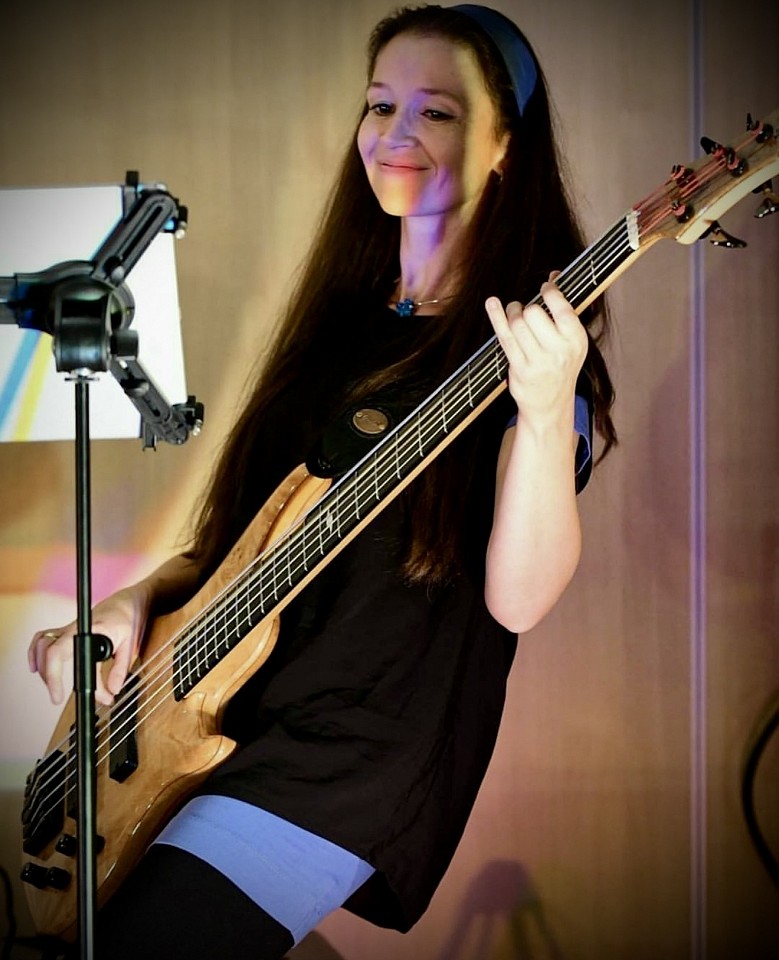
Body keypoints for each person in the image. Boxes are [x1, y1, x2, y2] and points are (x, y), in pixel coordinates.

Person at [28, 4, 616, 958]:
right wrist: (131, 601)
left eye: (437, 111)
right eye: (380, 104)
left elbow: (517, 600)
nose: (395, 133)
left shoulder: (529, 354)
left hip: (349, 760)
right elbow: (229, 547)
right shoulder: (335, 324)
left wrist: (547, 411)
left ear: (505, 146)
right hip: (211, 720)